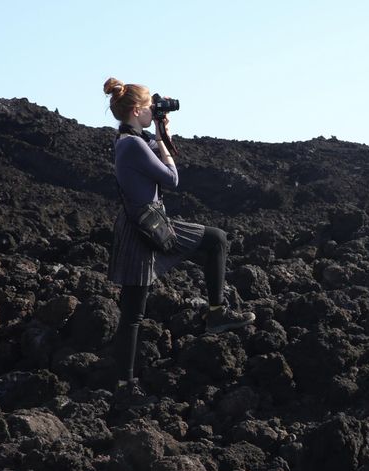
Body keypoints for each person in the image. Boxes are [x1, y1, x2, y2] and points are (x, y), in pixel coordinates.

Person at [102, 77, 255, 383]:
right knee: (132, 314)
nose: (152, 112)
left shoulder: (131, 139)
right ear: (135, 110)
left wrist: (162, 134)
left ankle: (216, 313)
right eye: (148, 108)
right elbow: (171, 178)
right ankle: (124, 385)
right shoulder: (132, 144)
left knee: (216, 240)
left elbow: (159, 158)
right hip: (142, 231)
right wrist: (160, 138)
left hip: (151, 224)